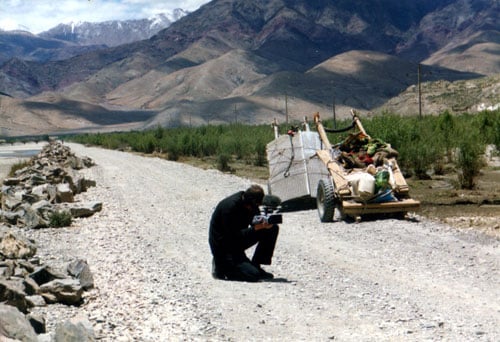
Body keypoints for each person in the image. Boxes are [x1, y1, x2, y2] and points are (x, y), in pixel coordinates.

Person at [209, 184, 279, 282]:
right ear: (250, 202)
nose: (256, 208)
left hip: (237, 242)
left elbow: (255, 222)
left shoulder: (250, 204)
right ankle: (221, 265)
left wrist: (265, 223)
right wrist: (256, 228)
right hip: (224, 246)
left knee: (272, 229)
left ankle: (256, 264)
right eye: (256, 205)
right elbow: (232, 236)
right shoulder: (229, 207)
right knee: (253, 276)